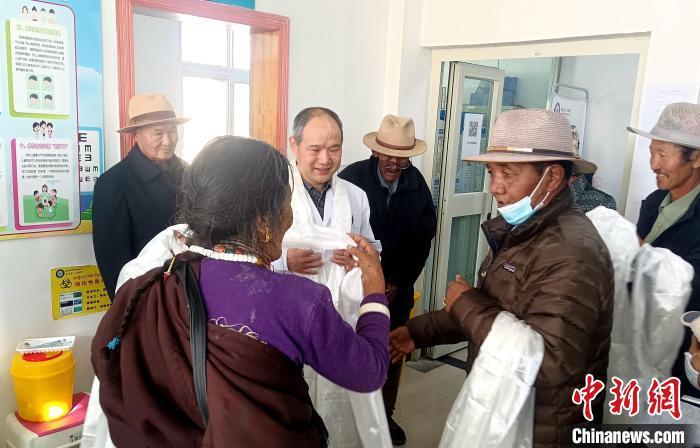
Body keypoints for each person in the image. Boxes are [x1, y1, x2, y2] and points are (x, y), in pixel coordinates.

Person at [91, 136, 390, 447]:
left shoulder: (153, 283)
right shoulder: (298, 300)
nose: (290, 216)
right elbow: (368, 372)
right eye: (286, 203)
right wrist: (374, 291)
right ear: (263, 222)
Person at [390, 109, 614, 447]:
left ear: (552, 177)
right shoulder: (523, 230)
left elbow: (550, 365)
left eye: (507, 173)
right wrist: (417, 332)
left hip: (543, 428)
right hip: (506, 410)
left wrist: (466, 303)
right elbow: (496, 309)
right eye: (492, 172)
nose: (495, 187)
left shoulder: (572, 251)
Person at [339, 114, 437, 445]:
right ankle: (347, 416)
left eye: (402, 157)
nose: (395, 163)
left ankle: (384, 415)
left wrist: (397, 280)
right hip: (354, 288)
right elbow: (337, 233)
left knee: (391, 353)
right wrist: (366, 277)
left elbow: (423, 238)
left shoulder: (417, 185)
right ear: (376, 151)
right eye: (389, 155)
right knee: (351, 350)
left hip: (397, 290)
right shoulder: (351, 179)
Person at [630, 102, 700, 398]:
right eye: (651, 152)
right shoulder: (653, 202)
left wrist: (640, 254)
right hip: (641, 342)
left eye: (662, 154)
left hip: (682, 355)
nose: (653, 164)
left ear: (695, 158)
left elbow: (693, 287)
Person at [92, 93, 188, 299]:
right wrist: (129, 307)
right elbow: (114, 264)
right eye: (158, 133)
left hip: (192, 291)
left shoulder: (190, 174)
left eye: (172, 131)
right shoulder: (113, 183)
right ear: (136, 135)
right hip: (148, 298)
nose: (168, 141)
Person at [272, 107, 378, 273]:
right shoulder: (272, 192)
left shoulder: (356, 196)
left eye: (334, 149)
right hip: (287, 289)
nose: (325, 160)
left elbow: (373, 252)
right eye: (315, 149)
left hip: (342, 290)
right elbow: (246, 255)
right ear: (294, 145)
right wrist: (283, 262)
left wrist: (358, 257)